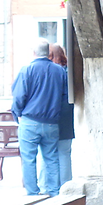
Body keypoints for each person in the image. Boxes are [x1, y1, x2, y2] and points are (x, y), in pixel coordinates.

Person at [11, 39, 68, 196]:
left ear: (34, 53)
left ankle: (32, 194)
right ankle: (54, 193)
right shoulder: (60, 72)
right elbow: (64, 97)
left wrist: (17, 114)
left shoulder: (26, 70)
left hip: (30, 121)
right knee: (51, 158)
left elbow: (18, 97)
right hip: (51, 123)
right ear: (49, 54)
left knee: (29, 159)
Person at [47, 43, 74, 186]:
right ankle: (66, 185)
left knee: (49, 154)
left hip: (53, 117)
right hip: (67, 118)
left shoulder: (53, 73)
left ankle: (51, 186)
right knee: (64, 153)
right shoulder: (68, 72)